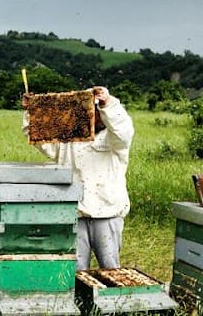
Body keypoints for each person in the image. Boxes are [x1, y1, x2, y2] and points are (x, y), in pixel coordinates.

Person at [24, 86, 134, 270]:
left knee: (110, 268)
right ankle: (81, 299)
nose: (93, 113)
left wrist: (108, 102)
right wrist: (32, 112)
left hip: (107, 212)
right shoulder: (69, 136)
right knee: (76, 270)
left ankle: (108, 299)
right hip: (75, 212)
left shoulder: (115, 139)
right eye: (90, 109)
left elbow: (123, 130)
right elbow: (42, 140)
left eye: (97, 110)